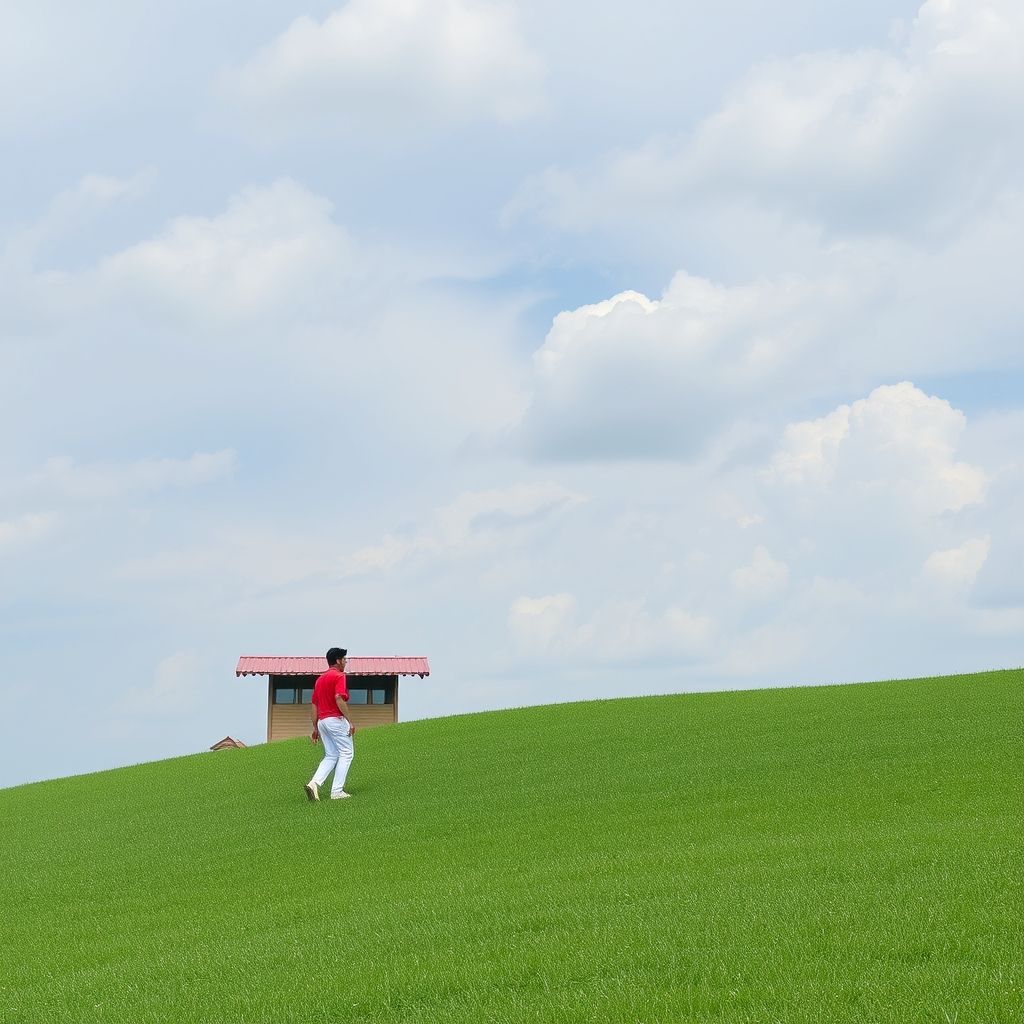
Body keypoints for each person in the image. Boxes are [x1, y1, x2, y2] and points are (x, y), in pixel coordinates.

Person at [305, 647, 356, 801]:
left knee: (331, 755)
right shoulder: (339, 676)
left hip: (322, 722)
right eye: (345, 659)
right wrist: (350, 721)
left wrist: (315, 727)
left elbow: (314, 704)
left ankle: (313, 784)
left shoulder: (319, 680)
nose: (346, 662)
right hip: (335, 720)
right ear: (338, 661)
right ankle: (337, 791)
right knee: (347, 753)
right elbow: (339, 698)